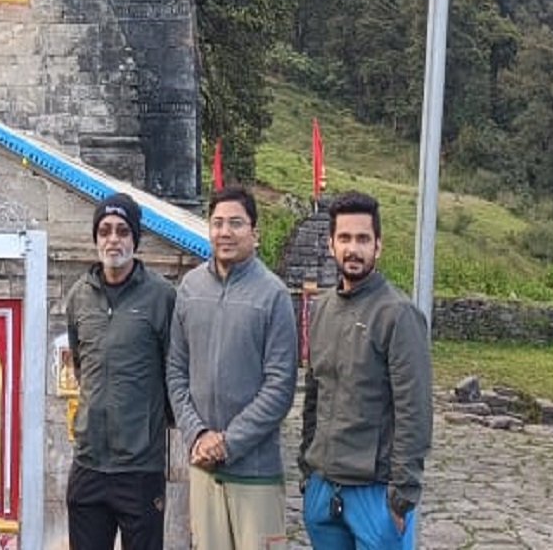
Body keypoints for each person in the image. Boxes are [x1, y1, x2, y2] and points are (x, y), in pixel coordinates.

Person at [167, 186, 298, 550]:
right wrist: (198, 434)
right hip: (203, 467)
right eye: (218, 223)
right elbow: (176, 371)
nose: (225, 232)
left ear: (255, 234)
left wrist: (228, 442)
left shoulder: (273, 296)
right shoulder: (190, 289)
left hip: (255, 472)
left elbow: (280, 386)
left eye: (236, 223)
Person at [300, 192, 432, 550]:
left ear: (379, 246)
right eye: (344, 238)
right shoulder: (322, 309)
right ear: (330, 245)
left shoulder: (398, 314)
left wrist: (402, 494)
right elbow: (314, 394)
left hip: (375, 493)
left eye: (363, 239)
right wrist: (307, 472)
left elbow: (414, 411)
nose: (353, 248)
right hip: (323, 488)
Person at [64, 193, 176, 550]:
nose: (113, 239)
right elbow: (82, 365)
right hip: (89, 460)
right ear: (96, 238)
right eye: (105, 231)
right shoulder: (78, 297)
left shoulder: (161, 296)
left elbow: (174, 371)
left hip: (140, 466)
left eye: (123, 231)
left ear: (135, 239)